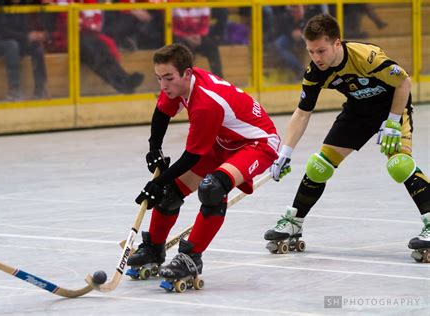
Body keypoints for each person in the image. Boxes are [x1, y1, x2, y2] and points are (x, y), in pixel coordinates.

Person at [264, 14, 430, 262]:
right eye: (311, 52)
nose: (316, 58)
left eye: (321, 50)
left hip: (391, 108)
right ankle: (294, 221)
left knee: (399, 165)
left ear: (337, 43)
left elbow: (403, 81)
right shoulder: (315, 72)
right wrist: (285, 152)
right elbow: (302, 112)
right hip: (357, 112)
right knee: (318, 166)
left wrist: (393, 121)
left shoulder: (365, 56)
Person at [127, 43, 280, 286]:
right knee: (169, 193)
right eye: (159, 78)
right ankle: (153, 250)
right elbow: (162, 113)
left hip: (256, 144)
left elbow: (191, 156)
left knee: (212, 188)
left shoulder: (206, 102)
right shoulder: (179, 84)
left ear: (187, 73)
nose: (163, 86)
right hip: (222, 141)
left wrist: (156, 182)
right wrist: (154, 148)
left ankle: (190, 258)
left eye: (168, 78)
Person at [45, 0, 143, 94]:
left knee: (101, 48)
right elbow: (66, 21)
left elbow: (96, 21)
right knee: (94, 52)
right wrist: (83, 23)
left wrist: (83, 23)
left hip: (87, 36)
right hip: (66, 39)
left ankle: (124, 79)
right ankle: (121, 83)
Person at [0, 0, 49, 100]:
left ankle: (41, 89)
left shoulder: (23, 5)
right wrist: (27, 36)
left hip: (14, 41)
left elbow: (23, 28)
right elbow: (2, 30)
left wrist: (35, 35)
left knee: (36, 45)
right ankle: (14, 90)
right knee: (12, 45)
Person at [172, 7, 223, 78]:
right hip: (182, 38)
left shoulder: (203, 6)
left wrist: (199, 36)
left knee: (212, 47)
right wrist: (186, 37)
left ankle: (218, 79)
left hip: (198, 37)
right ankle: (184, 80)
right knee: (181, 49)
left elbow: (205, 26)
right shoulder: (174, 6)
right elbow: (172, 28)